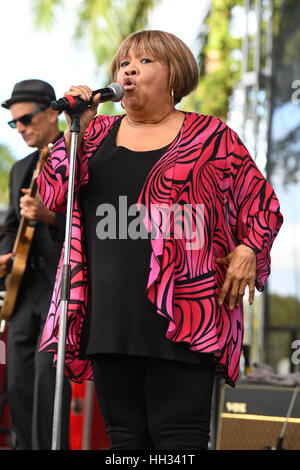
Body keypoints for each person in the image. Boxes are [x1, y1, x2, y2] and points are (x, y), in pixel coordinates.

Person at [37, 31, 283, 450]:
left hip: (186, 312)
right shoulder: (94, 135)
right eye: (123, 63)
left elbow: (262, 203)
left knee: (179, 440)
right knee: (125, 441)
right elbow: (52, 193)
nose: (129, 70)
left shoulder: (210, 135)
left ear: (175, 76)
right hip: (110, 316)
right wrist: (75, 128)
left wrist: (248, 248)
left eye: (146, 61)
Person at [0, 79, 71, 450]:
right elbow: (11, 228)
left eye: (26, 118)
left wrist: (51, 217)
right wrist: (4, 256)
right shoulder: (21, 169)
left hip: (61, 284)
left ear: (53, 111)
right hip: (24, 289)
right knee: (18, 384)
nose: (21, 128)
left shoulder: (76, 156)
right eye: (15, 123)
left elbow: (93, 224)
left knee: (50, 379)